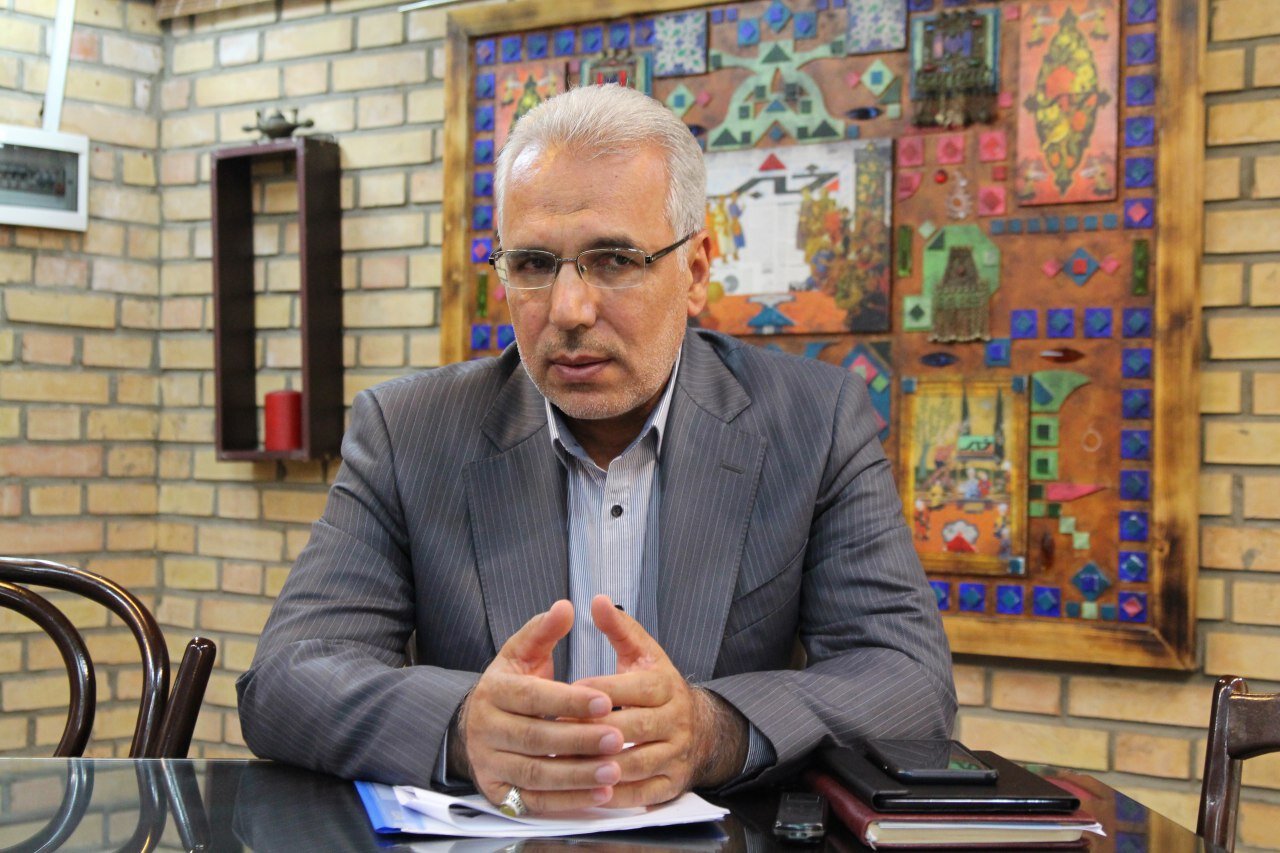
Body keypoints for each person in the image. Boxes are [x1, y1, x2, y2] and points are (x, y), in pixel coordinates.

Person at [237, 84, 955, 817]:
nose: (568, 310)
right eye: (533, 264)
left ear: (696, 269)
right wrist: (463, 728)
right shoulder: (410, 431)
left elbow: (909, 684)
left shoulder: (814, 421)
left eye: (613, 260)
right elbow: (287, 680)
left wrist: (712, 730)